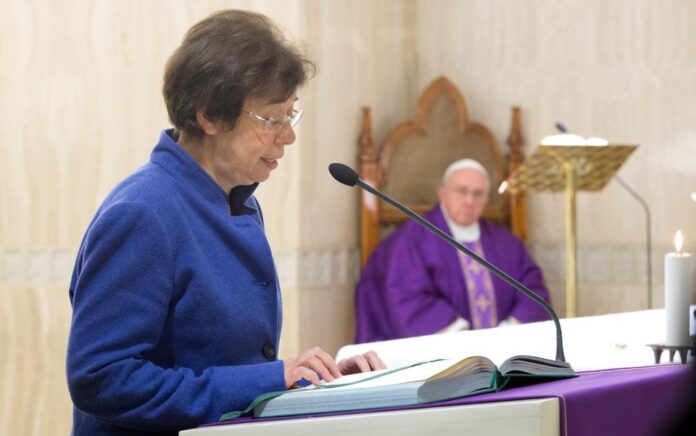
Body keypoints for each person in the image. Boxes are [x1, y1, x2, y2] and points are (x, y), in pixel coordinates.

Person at [66, 10, 384, 436]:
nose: (288, 136)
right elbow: (101, 379)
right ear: (209, 116)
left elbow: (217, 363)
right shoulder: (143, 213)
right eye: (273, 119)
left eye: (291, 115)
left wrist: (312, 381)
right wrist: (270, 378)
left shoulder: (239, 202)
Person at [355, 158, 551, 343]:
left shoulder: (507, 244)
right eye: (462, 191)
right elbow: (404, 293)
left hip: (506, 351)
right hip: (445, 355)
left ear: (485, 199)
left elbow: (533, 289)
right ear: (443, 193)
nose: (469, 201)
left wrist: (509, 330)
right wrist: (461, 338)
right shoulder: (414, 239)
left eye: (478, 193)